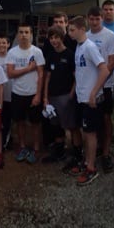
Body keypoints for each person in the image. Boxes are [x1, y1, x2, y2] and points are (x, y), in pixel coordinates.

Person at [68, 16, 111, 186]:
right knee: (86, 132)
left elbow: (104, 70)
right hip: (82, 97)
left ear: (80, 29)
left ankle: (92, 168)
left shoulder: (90, 47)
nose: (69, 33)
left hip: (90, 99)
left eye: (71, 30)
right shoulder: (79, 47)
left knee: (90, 134)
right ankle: (86, 162)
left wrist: (94, 93)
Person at [86, 7, 114, 171]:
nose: (94, 22)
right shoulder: (85, 36)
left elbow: (112, 61)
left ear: (102, 18)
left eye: (97, 19)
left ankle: (106, 153)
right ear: (88, 19)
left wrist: (100, 81)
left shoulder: (110, 36)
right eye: (91, 19)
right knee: (95, 119)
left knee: (106, 119)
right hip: (89, 87)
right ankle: (97, 147)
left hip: (105, 86)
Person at [7, 23, 46, 164]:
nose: (23, 35)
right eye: (21, 32)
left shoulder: (37, 52)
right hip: (18, 93)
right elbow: (10, 74)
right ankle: (22, 146)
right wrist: (29, 68)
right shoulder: (12, 52)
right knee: (20, 122)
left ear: (31, 34)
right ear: (17, 34)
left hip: (33, 93)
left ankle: (35, 148)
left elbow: (41, 74)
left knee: (35, 123)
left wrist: (38, 95)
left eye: (26, 32)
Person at [41, 27, 74, 166]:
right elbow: (47, 77)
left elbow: (76, 77)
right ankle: (59, 152)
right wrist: (45, 97)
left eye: (56, 37)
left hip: (65, 96)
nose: (54, 40)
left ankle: (75, 152)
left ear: (62, 38)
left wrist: (71, 95)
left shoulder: (70, 54)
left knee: (70, 125)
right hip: (52, 97)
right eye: (51, 38)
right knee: (55, 125)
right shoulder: (50, 56)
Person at [0, 33, 14, 151]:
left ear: (8, 44)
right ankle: (3, 141)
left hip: (11, 93)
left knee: (8, 120)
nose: (1, 45)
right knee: (0, 120)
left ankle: (6, 141)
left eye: (4, 43)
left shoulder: (12, 57)